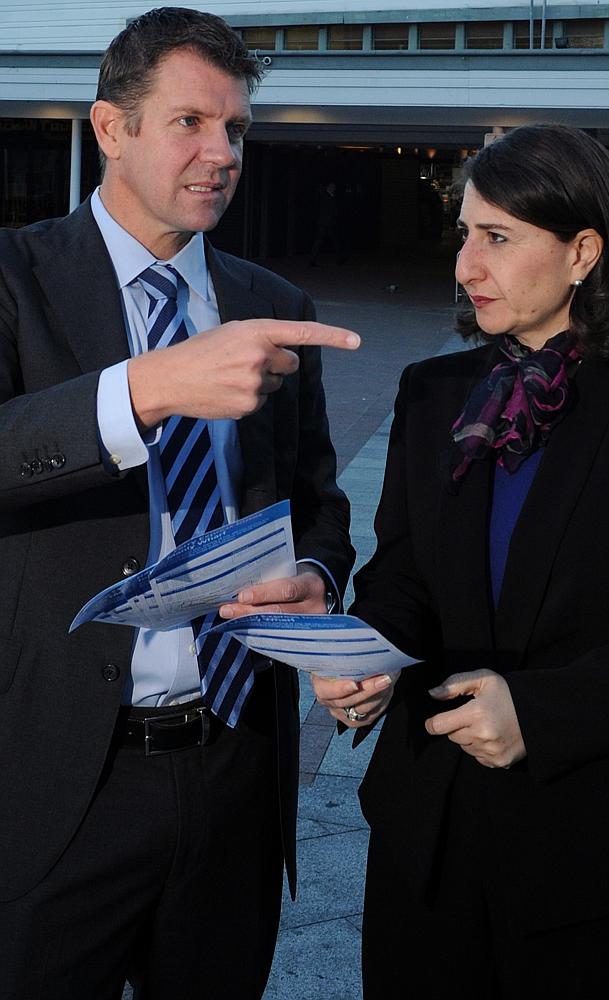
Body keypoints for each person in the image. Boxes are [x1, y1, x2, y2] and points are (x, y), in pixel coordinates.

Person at [0, 8, 359, 999]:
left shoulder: (268, 296)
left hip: (236, 768)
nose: (221, 152)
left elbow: (319, 503)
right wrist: (148, 387)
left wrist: (314, 577)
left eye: (235, 128)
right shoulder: (14, 275)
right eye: (190, 123)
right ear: (110, 129)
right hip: (66, 775)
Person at [314, 123, 609, 997]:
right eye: (464, 232)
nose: (465, 264)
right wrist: (369, 654)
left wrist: (545, 711)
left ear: (583, 251)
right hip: (428, 841)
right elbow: (405, 575)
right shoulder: (436, 394)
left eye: (497, 238)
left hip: (596, 851)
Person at [309, 180, 345, 266]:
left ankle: (339, 258)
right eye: (332, 186)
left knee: (334, 241)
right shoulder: (324, 196)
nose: (334, 188)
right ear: (328, 187)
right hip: (326, 222)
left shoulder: (331, 196)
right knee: (322, 241)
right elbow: (326, 209)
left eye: (334, 187)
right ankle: (313, 259)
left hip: (328, 222)